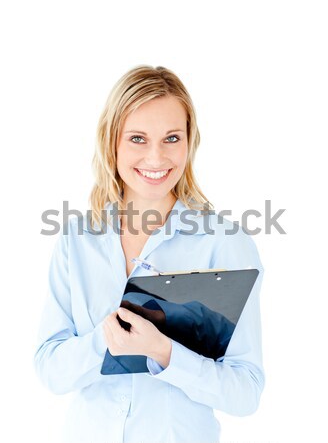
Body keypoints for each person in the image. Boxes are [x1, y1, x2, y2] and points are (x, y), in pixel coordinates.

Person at [34, 65, 265, 443]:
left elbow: (246, 390)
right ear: (112, 142)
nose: (156, 158)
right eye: (138, 138)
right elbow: (49, 368)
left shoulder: (224, 242)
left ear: (190, 142)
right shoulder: (77, 240)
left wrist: (165, 352)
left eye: (171, 137)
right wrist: (104, 342)